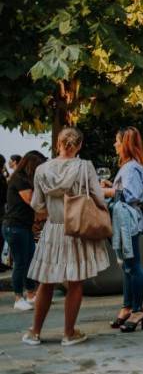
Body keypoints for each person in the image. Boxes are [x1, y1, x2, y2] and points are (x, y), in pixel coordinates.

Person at [23, 128, 110, 346]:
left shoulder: (42, 170)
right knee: (75, 282)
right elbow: (98, 198)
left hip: (53, 229)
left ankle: (34, 332)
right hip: (76, 229)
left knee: (46, 281)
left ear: (58, 144)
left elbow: (37, 205)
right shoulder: (84, 167)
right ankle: (69, 333)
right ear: (79, 145)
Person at [102, 127, 143, 333]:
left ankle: (137, 309)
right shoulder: (130, 167)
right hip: (125, 220)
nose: (115, 145)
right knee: (128, 266)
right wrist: (112, 185)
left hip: (128, 220)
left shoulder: (132, 167)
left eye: (117, 141)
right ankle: (128, 307)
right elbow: (126, 191)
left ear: (126, 144)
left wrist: (105, 190)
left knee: (133, 265)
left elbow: (131, 194)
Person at [3, 152, 46, 310]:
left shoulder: (25, 179)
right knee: (20, 263)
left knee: (30, 261)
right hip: (15, 226)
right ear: (31, 165)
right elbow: (32, 201)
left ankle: (31, 294)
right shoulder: (19, 179)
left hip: (23, 227)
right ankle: (18, 298)